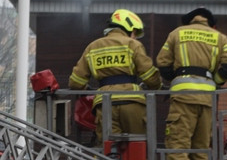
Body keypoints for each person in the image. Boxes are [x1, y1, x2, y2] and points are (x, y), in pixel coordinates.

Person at [156, 7, 227, 160]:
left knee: (178, 147)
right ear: (210, 22)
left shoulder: (177, 33)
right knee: (201, 150)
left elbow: (162, 62)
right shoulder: (219, 37)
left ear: (189, 21)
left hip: (183, 98)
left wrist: (175, 79)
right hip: (207, 99)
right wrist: (215, 82)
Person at [68, 9, 162, 143]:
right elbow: (149, 76)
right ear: (128, 27)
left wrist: (87, 89)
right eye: (135, 32)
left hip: (105, 104)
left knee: (108, 150)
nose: (134, 36)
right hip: (132, 102)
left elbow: (75, 82)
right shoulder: (133, 44)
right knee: (136, 147)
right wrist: (157, 86)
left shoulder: (93, 47)